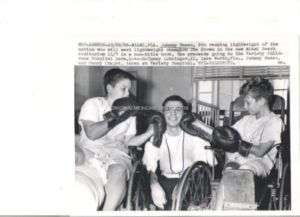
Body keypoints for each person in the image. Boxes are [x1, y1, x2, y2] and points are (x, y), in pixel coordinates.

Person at [76, 68, 154, 210]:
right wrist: (117, 116)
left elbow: (129, 141)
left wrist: (149, 132)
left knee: (118, 170)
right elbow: (92, 133)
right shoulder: (93, 104)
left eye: (129, 90)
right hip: (90, 150)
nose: (127, 94)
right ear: (109, 88)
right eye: (123, 89)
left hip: (116, 154)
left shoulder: (130, 111)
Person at [213, 77, 284, 210]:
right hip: (237, 160)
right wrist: (201, 129)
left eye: (248, 102)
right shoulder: (246, 120)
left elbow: (260, 151)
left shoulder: (274, 121)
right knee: (228, 173)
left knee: (243, 172)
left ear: (262, 100)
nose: (244, 107)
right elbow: (226, 135)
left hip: (259, 163)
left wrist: (236, 143)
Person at [142, 95, 216, 210]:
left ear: (185, 113)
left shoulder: (194, 136)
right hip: (165, 182)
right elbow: (150, 167)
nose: (173, 114)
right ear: (163, 113)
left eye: (178, 110)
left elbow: (201, 166)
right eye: (168, 110)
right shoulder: (157, 137)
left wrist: (183, 184)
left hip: (193, 183)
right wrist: (154, 184)